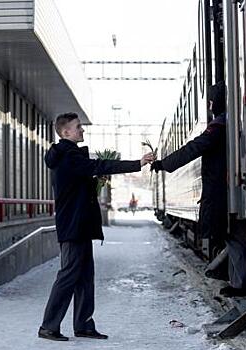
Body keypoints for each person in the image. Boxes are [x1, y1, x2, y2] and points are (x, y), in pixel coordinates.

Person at [38, 112, 154, 341]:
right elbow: (100, 165)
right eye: (78, 127)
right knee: (68, 276)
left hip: (79, 225)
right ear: (66, 132)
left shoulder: (68, 155)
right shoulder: (68, 156)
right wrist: (137, 163)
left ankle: (83, 325)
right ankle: (48, 326)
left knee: (84, 277)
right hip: (73, 226)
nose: (82, 130)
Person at [151, 81, 246, 298]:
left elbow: (193, 148)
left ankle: (242, 284)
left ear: (215, 104)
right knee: (228, 235)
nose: (210, 106)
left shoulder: (218, 127)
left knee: (230, 235)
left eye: (212, 102)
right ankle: (238, 282)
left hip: (221, 191)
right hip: (225, 189)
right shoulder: (228, 124)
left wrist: (163, 164)